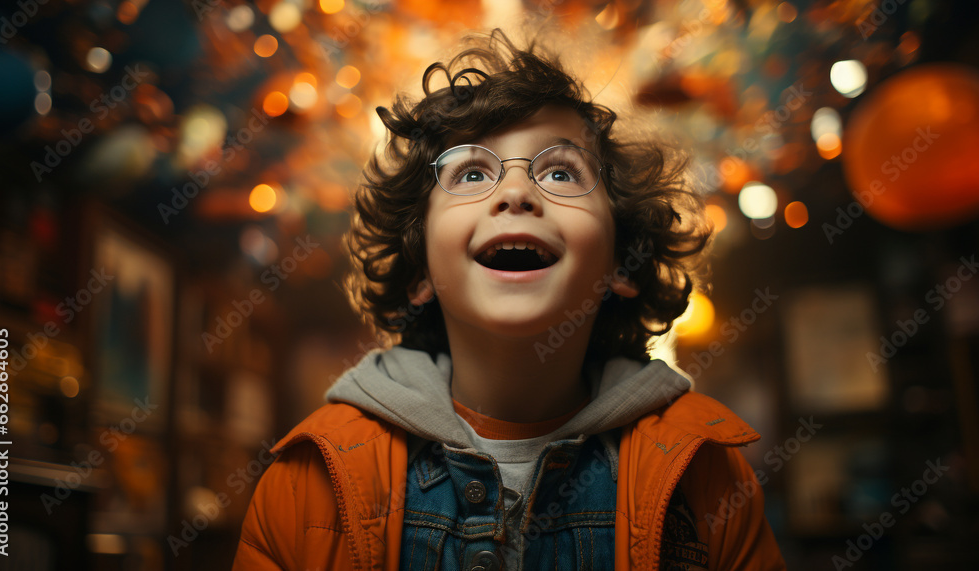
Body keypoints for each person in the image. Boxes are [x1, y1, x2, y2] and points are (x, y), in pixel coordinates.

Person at [232, 29, 786, 570]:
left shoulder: (709, 478)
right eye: (471, 172)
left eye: (561, 172)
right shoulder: (305, 486)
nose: (517, 192)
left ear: (622, 264)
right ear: (421, 268)